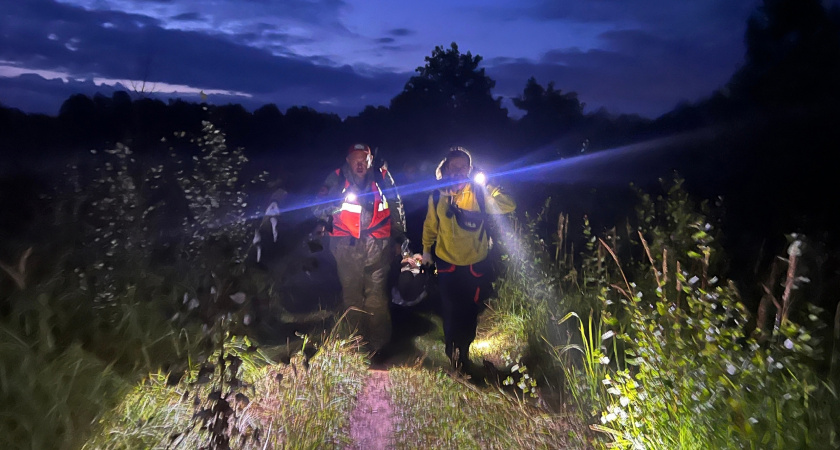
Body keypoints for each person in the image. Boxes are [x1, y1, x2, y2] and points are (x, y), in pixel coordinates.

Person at [421, 146, 516, 371]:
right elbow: (430, 226)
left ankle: (463, 351)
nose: (457, 171)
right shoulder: (437, 196)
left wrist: (487, 184)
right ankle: (453, 353)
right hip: (447, 263)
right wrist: (426, 251)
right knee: (450, 309)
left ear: (470, 169)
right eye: (453, 166)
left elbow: (509, 205)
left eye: (463, 167)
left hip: (475, 262)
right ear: (445, 169)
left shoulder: (480, 193)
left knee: (470, 310)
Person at [313, 143, 406, 356]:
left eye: (364, 158)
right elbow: (317, 208)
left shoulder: (382, 176)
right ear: (348, 161)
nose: (360, 163)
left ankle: (379, 347)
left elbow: (396, 205)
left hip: (378, 245)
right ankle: (355, 344)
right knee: (351, 296)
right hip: (345, 246)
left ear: (370, 159)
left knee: (376, 297)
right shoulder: (336, 178)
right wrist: (337, 199)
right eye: (355, 158)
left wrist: (400, 237)